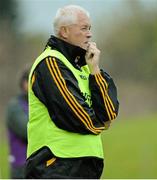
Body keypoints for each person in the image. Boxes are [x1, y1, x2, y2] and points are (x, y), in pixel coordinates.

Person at [25, 5, 119, 179]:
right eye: (83, 28)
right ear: (64, 31)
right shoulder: (50, 62)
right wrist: (99, 124)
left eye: (90, 28)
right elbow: (77, 116)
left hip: (88, 165)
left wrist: (95, 70)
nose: (89, 34)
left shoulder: (87, 67)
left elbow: (109, 114)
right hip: (55, 163)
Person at [6, 68, 29, 179]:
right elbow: (27, 131)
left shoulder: (39, 104)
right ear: (23, 83)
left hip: (37, 164)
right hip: (21, 165)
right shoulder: (15, 106)